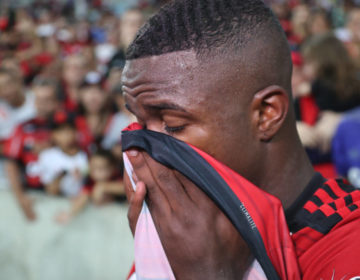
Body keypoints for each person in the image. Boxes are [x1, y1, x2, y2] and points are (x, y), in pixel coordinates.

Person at [121, 0, 360, 278]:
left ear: (266, 114)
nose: (146, 150)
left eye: (173, 126)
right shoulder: (182, 236)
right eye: (140, 124)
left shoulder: (349, 247)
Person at [4, 77, 60, 221]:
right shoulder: (22, 127)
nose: (42, 104)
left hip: (64, 197)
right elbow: (10, 163)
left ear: (56, 101)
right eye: (38, 99)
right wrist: (21, 197)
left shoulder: (70, 127)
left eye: (47, 99)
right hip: (35, 196)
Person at [55, 149, 125, 225]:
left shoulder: (117, 178)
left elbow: (125, 188)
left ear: (112, 168)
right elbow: (83, 197)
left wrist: (105, 187)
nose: (96, 173)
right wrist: (70, 213)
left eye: (100, 169)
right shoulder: (90, 182)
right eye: (93, 168)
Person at [37, 112, 88, 197]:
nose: (66, 134)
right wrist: (64, 174)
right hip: (57, 202)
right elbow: (50, 190)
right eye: (60, 131)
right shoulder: (47, 156)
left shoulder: (86, 155)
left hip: (83, 204)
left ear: (76, 132)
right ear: (53, 134)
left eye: (69, 129)